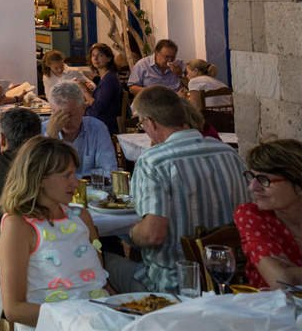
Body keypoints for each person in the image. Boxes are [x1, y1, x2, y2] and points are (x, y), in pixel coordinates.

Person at [124, 86, 247, 293]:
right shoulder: (228, 152)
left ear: (151, 122)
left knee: (105, 265)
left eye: (141, 123)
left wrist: (131, 235)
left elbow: (153, 235)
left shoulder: (153, 161)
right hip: (231, 276)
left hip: (175, 282)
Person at [0, 138, 109, 328]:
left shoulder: (81, 216)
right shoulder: (18, 226)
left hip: (98, 320)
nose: (75, 182)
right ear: (40, 178)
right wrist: (75, 321)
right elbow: (13, 309)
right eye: (67, 175)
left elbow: (100, 283)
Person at [234, 139, 302, 290]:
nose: (252, 187)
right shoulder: (251, 215)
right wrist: (287, 274)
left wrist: (293, 272)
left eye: (264, 180)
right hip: (276, 311)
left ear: (298, 184)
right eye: (251, 177)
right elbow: (281, 280)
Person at [43, 81, 116, 176]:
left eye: (71, 115)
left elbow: (109, 170)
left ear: (83, 108)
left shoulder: (97, 128)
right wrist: (50, 138)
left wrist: (66, 178)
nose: (66, 121)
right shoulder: (42, 130)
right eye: (59, 116)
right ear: (52, 112)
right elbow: (40, 176)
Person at [84, 42, 122, 134]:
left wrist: (84, 91)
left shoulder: (109, 79)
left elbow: (98, 107)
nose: (95, 58)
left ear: (109, 58)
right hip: (95, 119)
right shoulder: (104, 78)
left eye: (100, 55)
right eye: (93, 55)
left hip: (103, 123)